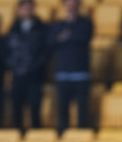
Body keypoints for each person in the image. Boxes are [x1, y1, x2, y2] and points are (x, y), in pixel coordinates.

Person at [49, 0, 93, 133]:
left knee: (82, 111)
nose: (71, 6)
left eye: (74, 3)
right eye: (69, 3)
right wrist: (65, 38)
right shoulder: (57, 25)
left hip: (81, 75)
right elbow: (51, 42)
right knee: (62, 110)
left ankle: (82, 136)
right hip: (63, 74)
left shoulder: (86, 23)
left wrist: (64, 38)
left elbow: (83, 37)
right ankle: (64, 137)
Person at [7, 0, 48, 131]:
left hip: (35, 76)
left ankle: (36, 135)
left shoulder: (41, 28)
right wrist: (14, 66)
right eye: (24, 8)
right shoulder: (13, 28)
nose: (26, 10)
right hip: (18, 76)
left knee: (35, 108)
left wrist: (34, 67)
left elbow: (45, 52)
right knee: (17, 109)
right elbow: (7, 51)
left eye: (29, 7)